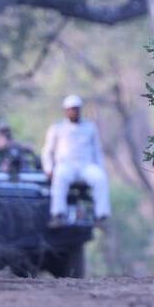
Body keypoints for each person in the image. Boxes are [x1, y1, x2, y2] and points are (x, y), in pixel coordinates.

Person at [41, 95, 111, 227]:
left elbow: (97, 150)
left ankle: (101, 216)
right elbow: (47, 151)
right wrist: (48, 168)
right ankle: (58, 214)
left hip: (86, 166)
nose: (74, 111)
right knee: (59, 176)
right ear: (66, 111)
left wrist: (101, 167)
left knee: (100, 178)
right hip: (66, 165)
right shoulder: (57, 128)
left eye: (77, 109)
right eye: (71, 109)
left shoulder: (90, 127)